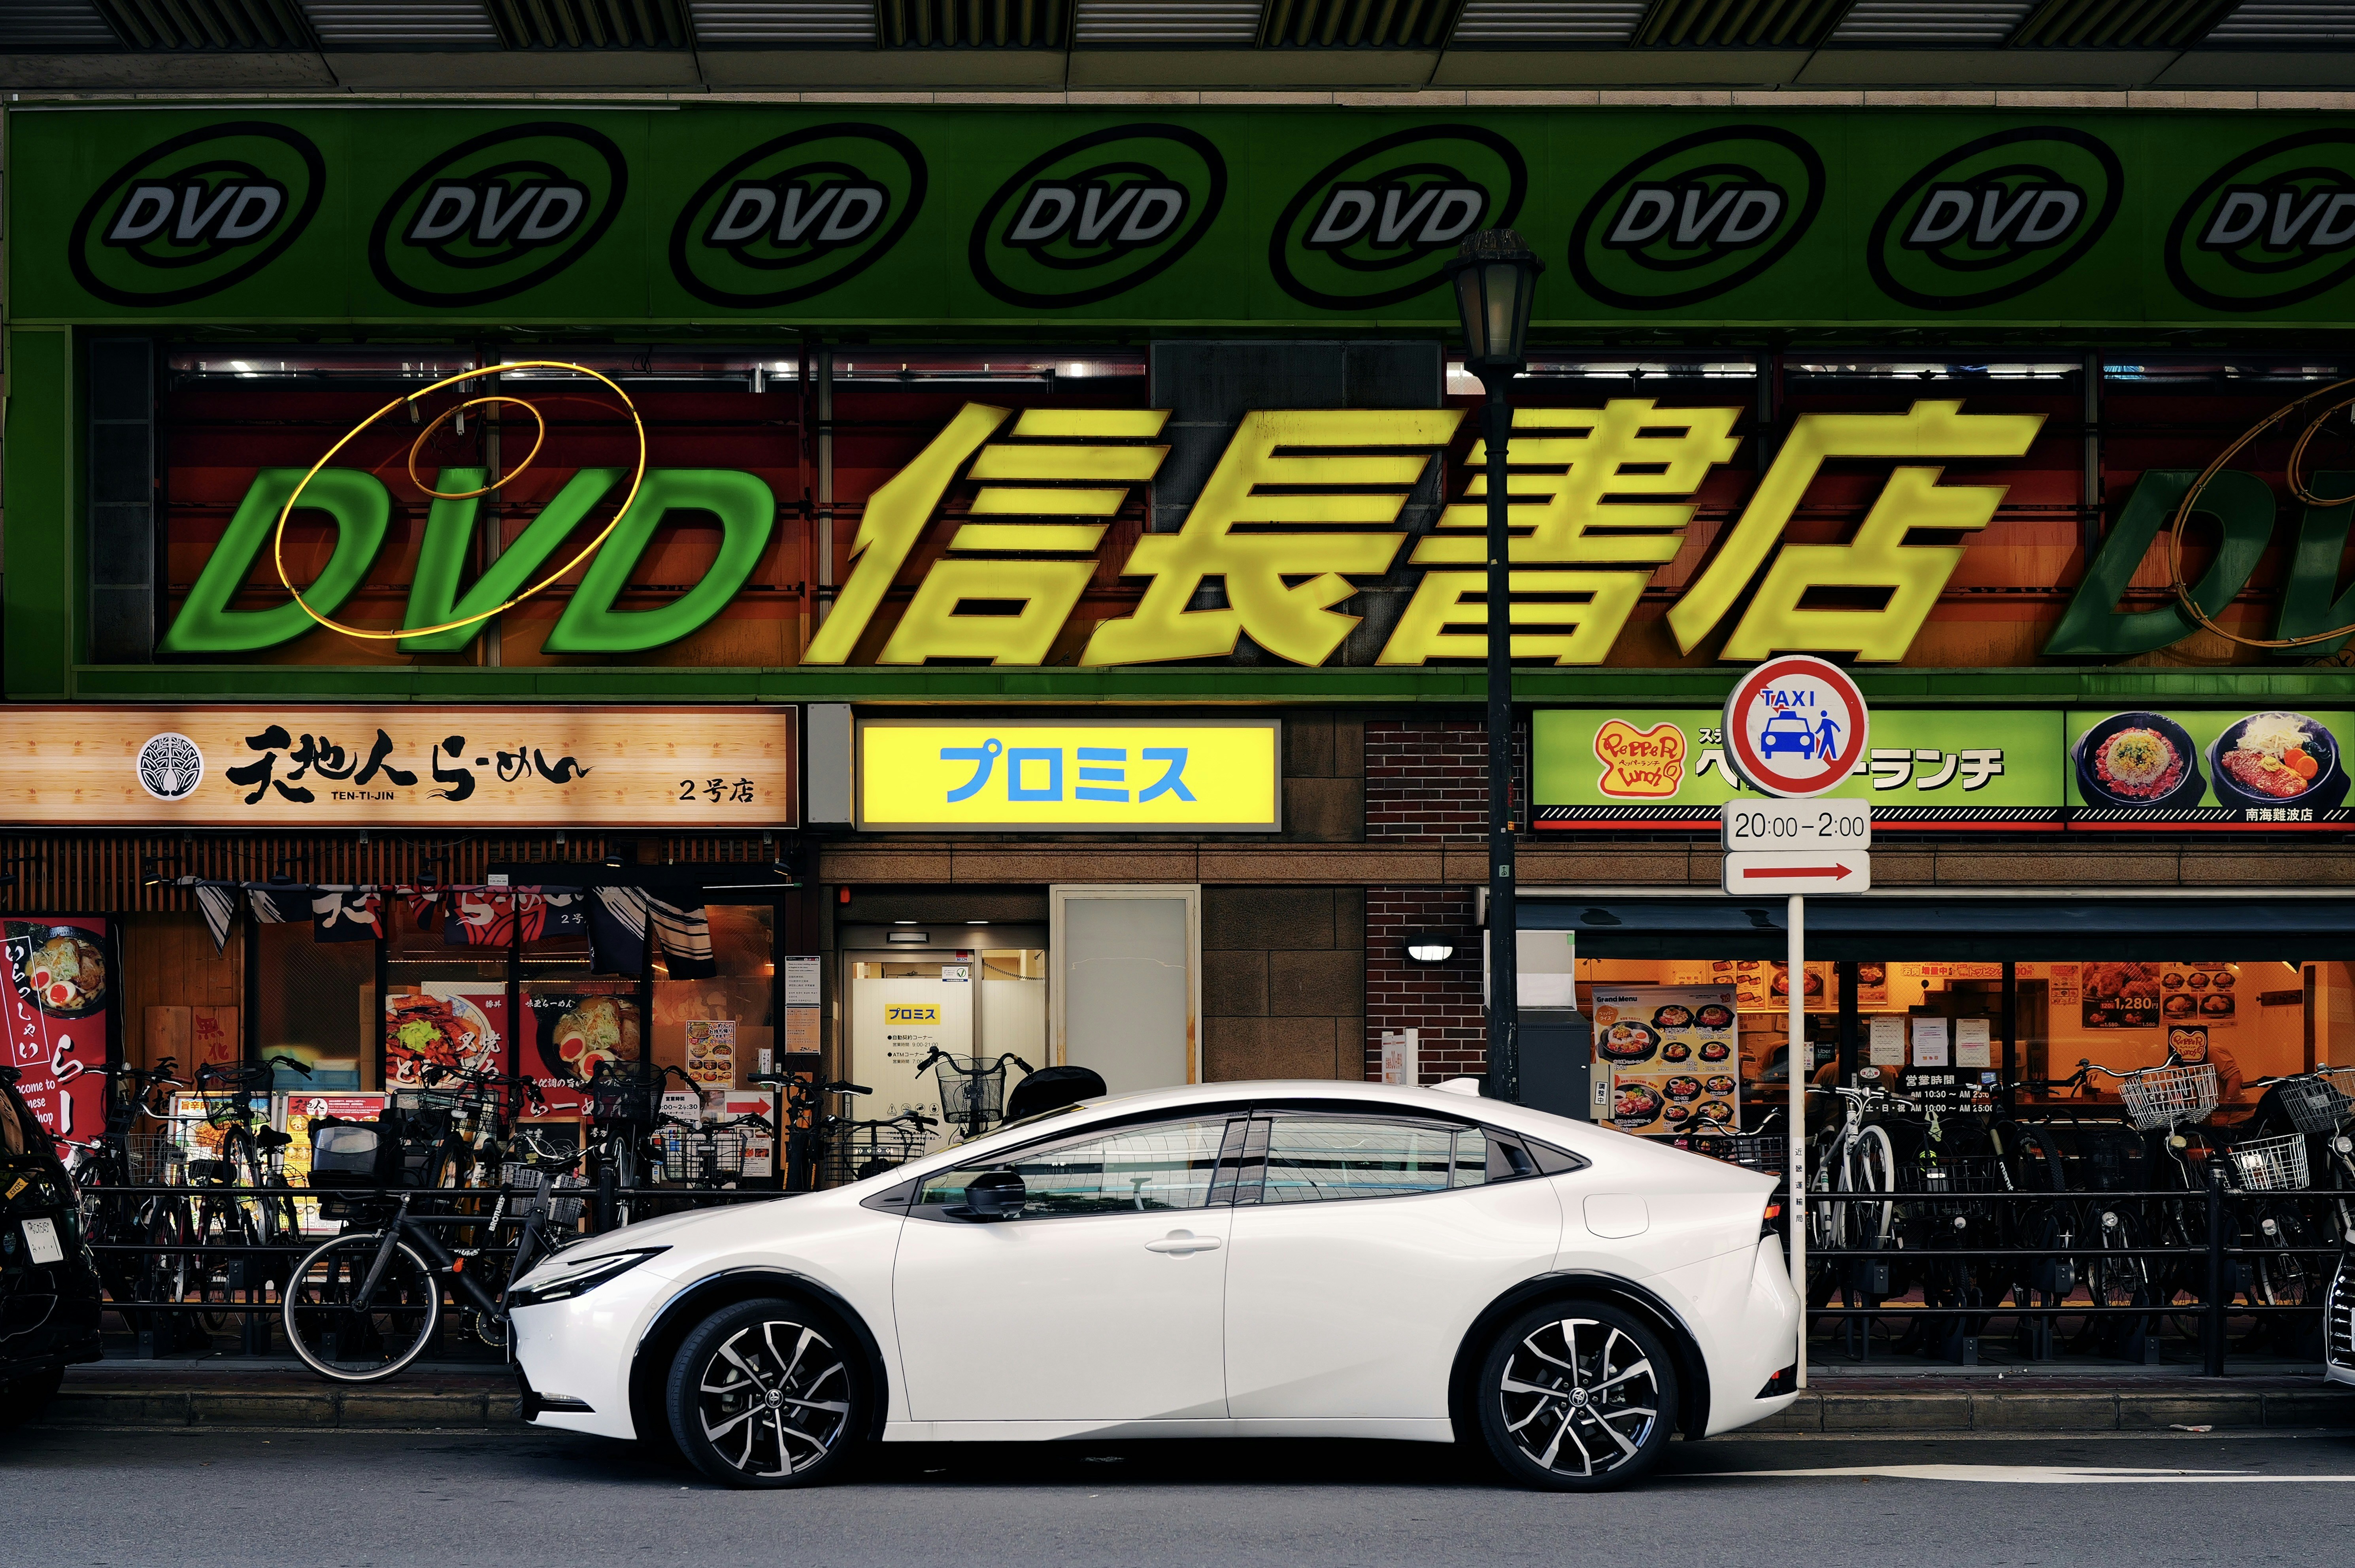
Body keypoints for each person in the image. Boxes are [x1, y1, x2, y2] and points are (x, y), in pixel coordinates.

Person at [2168, 1028, 2242, 1105]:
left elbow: (2235, 1079)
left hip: (2229, 1114)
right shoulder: (2198, 1055)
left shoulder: (2212, 1050)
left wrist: (2225, 1112)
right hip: (2211, 1111)